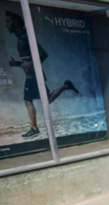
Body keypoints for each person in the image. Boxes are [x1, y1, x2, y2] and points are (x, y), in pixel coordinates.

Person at [5, 11, 79, 139]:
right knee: (48, 99)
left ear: (15, 22)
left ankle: (34, 129)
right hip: (33, 74)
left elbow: (42, 54)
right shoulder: (20, 37)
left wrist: (30, 65)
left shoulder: (26, 37)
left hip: (33, 76)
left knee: (27, 100)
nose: (7, 25)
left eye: (8, 22)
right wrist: (15, 63)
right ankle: (66, 86)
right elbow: (26, 61)